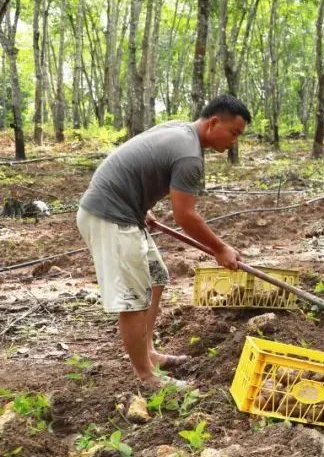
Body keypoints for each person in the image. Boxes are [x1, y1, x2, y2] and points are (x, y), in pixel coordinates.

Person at [77, 95, 251, 388]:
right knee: (133, 300)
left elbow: (136, 161)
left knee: (156, 277)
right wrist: (220, 248)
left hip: (125, 211)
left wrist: (140, 205)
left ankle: (149, 354)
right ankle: (146, 376)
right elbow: (185, 215)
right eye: (233, 133)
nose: (234, 141)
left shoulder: (178, 129)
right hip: (111, 217)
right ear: (213, 123)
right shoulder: (190, 157)